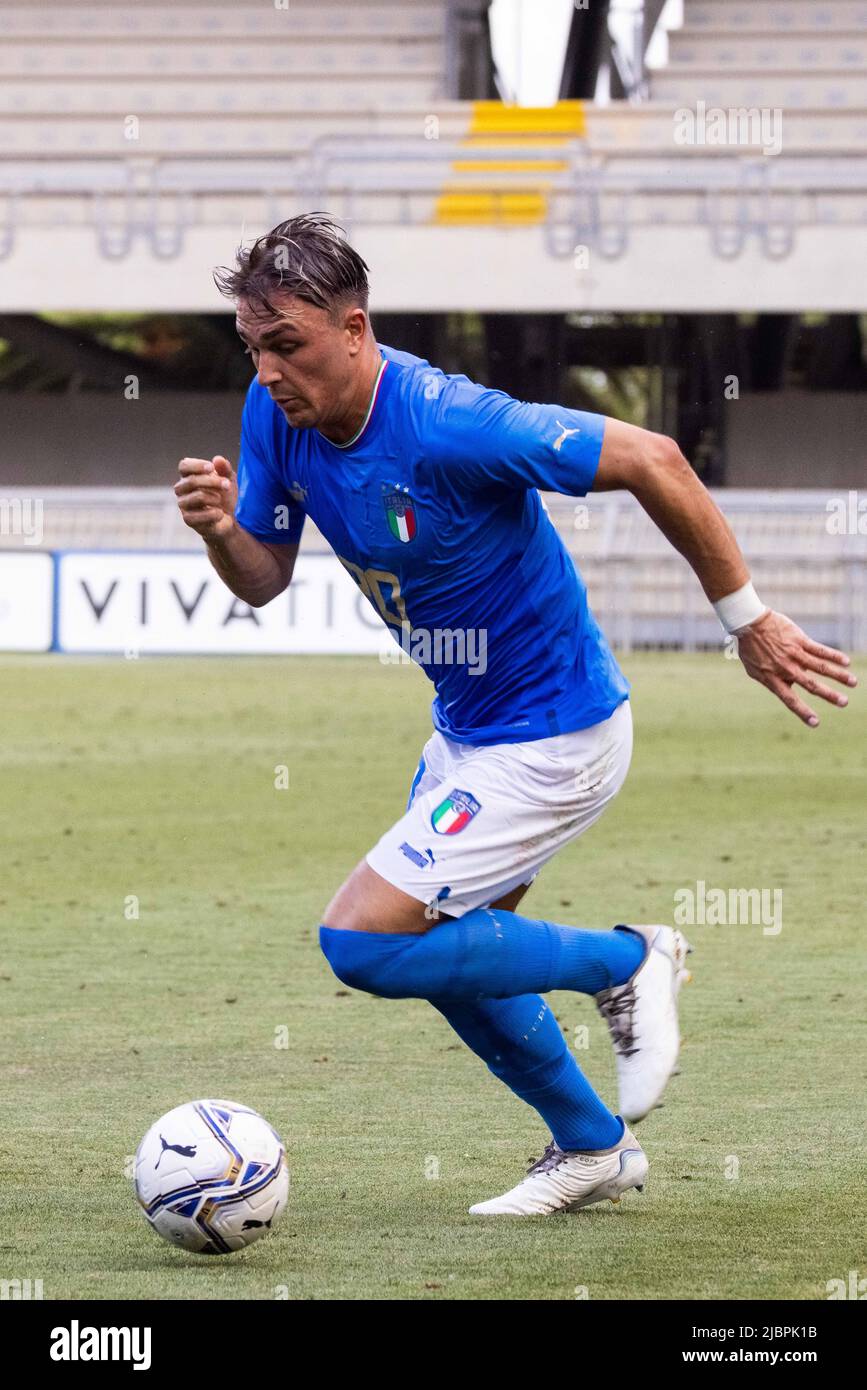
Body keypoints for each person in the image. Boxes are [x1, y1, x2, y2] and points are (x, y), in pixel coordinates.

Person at [175, 213, 855, 1216]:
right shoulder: (275, 414)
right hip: (468, 729)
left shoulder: (452, 423)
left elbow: (656, 459)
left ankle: (629, 959)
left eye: (289, 347)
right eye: (256, 349)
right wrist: (223, 530)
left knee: (362, 941)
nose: (270, 371)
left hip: (556, 734)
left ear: (355, 331)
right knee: (455, 950)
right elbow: (265, 578)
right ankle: (592, 1146)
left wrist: (746, 620)